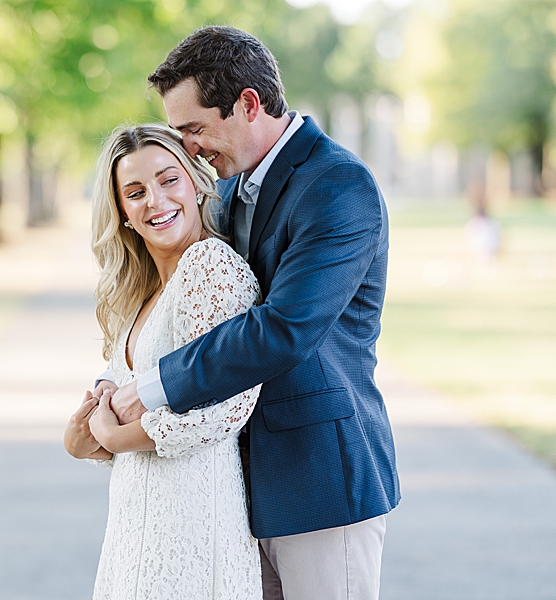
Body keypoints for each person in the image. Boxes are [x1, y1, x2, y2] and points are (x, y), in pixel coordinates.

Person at [103, 27, 401, 600]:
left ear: (246, 104)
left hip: (319, 482)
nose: (188, 148)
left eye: (194, 128)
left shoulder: (337, 185)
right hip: (239, 488)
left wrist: (155, 385)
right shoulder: (236, 187)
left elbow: (284, 329)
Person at [63, 123, 263, 600]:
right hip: (136, 521)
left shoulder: (209, 265)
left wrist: (113, 435)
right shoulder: (140, 294)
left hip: (191, 520)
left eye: (167, 179)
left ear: (195, 184)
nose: (155, 200)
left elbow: (226, 408)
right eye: (135, 192)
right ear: (124, 215)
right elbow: (111, 404)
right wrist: (84, 435)